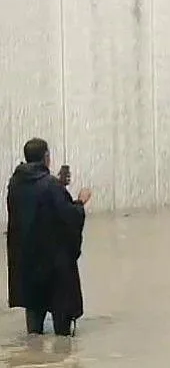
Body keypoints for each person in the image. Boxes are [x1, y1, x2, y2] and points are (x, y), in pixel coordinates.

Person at [6, 138, 91, 337]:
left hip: (27, 263)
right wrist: (80, 201)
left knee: (34, 326)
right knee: (63, 328)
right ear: (46, 157)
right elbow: (68, 217)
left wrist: (59, 184)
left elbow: (34, 207)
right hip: (54, 266)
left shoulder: (15, 183)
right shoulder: (51, 186)